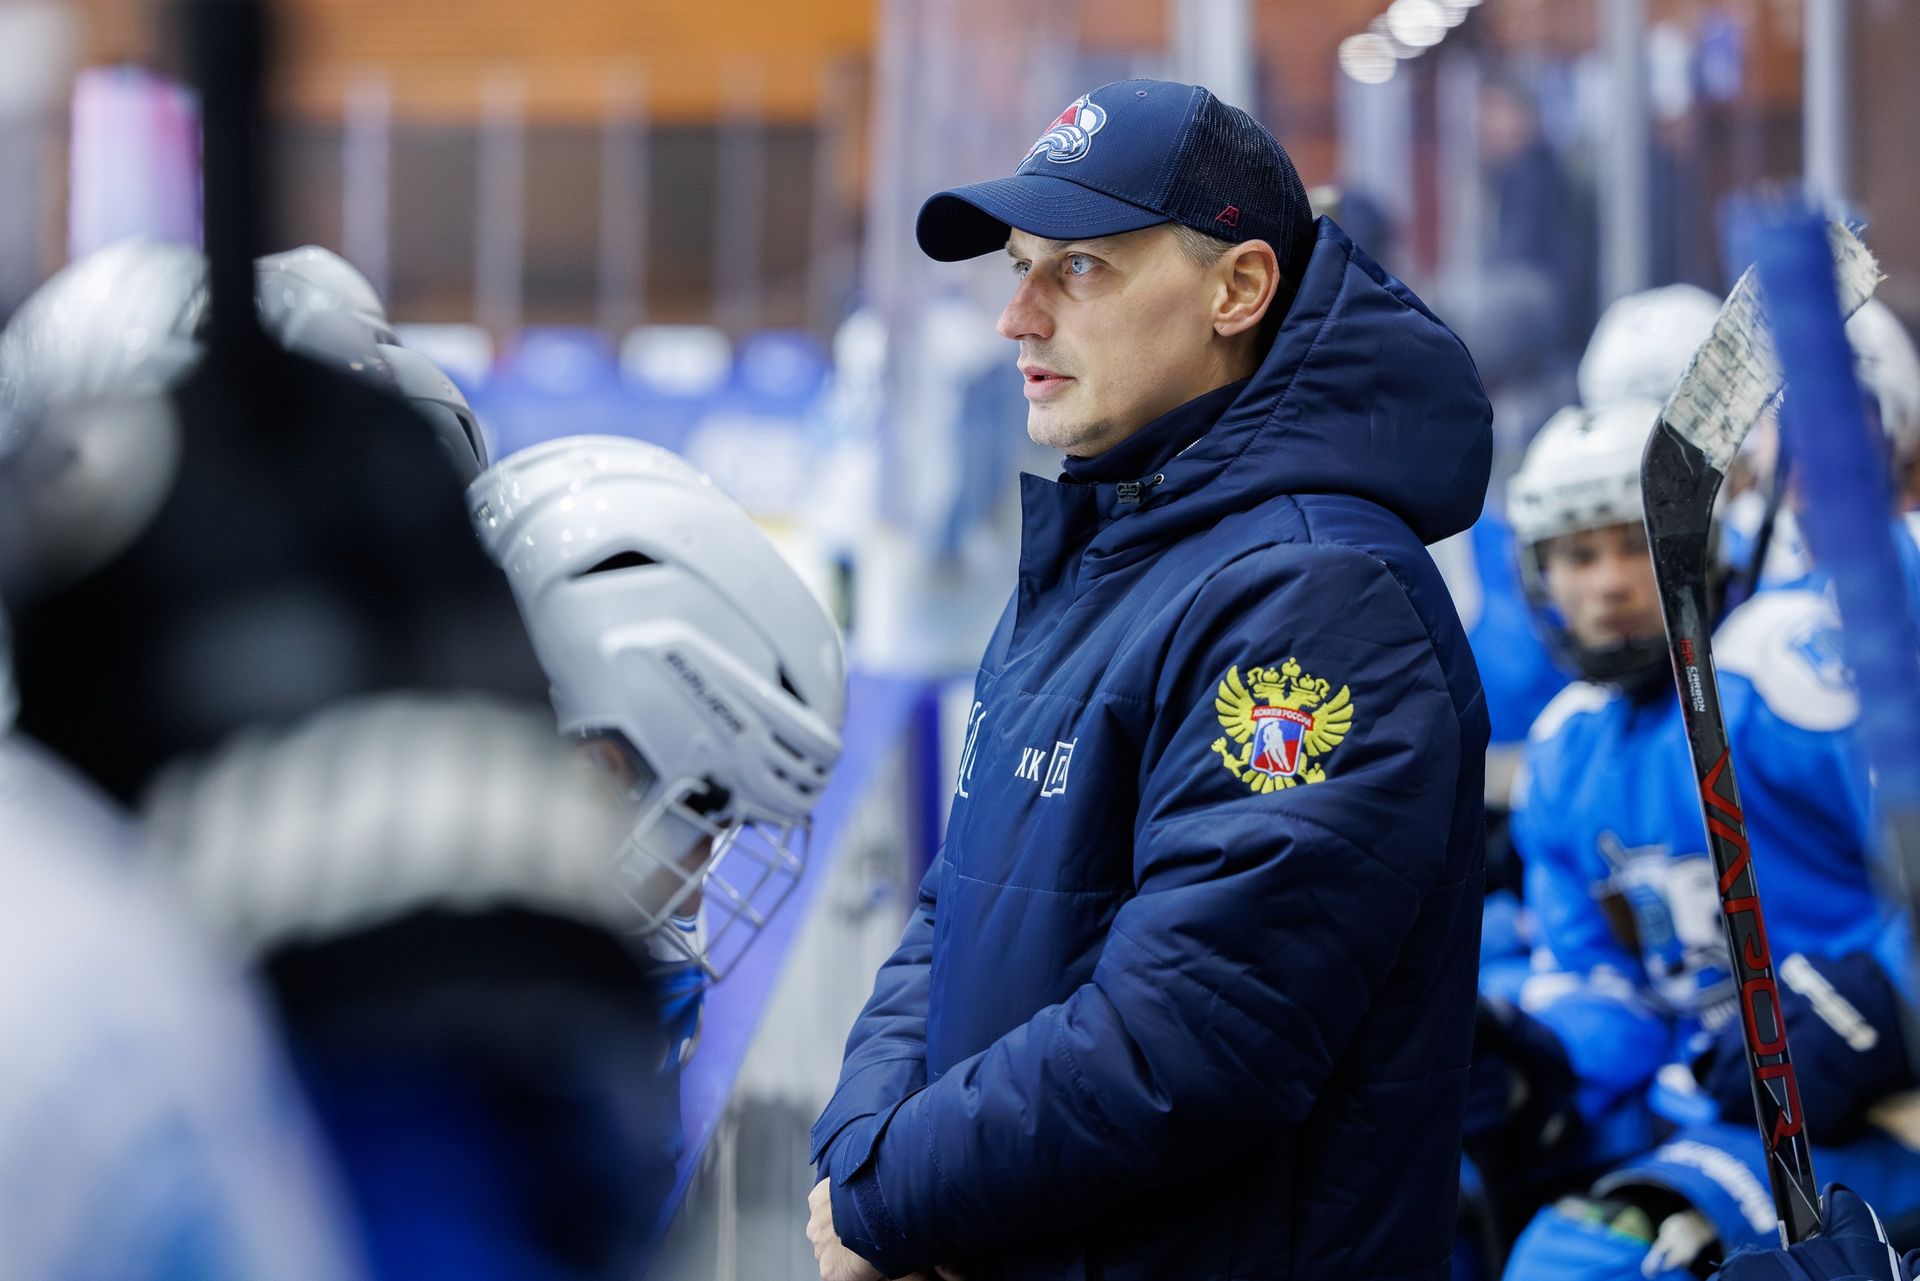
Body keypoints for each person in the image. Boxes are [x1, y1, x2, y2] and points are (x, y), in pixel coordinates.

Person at [807, 78, 1492, 1281]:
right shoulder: (1107, 554)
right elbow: (955, 911)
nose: (1016, 318)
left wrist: (890, 1198)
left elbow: (1194, 1034)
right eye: (1018, 268)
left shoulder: (1319, 596)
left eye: (1078, 268)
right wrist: (866, 1153)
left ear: (1239, 289)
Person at [1489, 401, 1920, 1280]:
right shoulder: (1564, 750)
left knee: (1578, 1263)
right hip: (1710, 1107)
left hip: (1876, 1104)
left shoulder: (1786, 678)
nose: (1610, 583)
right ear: (1537, 574)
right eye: (1578, 555)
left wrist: (1876, 995)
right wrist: (1531, 1051)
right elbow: (1609, 987)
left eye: (1633, 543)